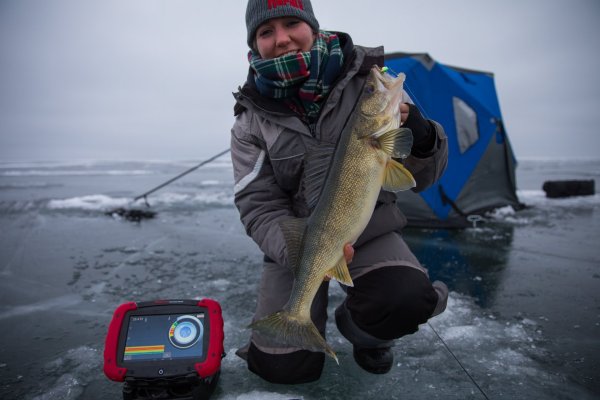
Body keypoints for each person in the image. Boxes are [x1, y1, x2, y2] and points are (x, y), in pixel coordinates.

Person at [231, 0, 449, 384]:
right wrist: (303, 253)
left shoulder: (370, 82)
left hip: (369, 229)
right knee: (281, 368)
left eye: (291, 23)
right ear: (255, 45)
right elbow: (257, 205)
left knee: (403, 301)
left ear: (312, 27)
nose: (281, 39)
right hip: (297, 242)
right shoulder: (249, 122)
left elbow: (424, 176)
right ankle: (298, 318)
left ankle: (364, 333)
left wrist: (421, 132)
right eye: (267, 31)